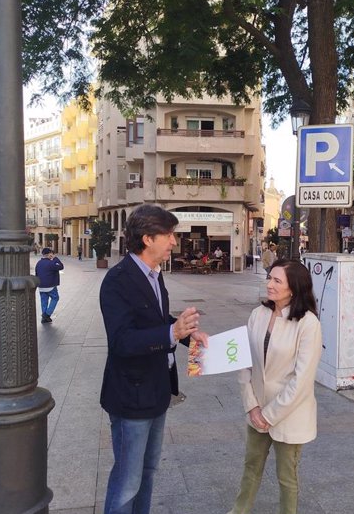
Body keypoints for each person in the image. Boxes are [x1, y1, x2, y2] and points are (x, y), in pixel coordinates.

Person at [99, 204, 209, 514]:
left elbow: (156, 320)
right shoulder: (118, 281)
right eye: (169, 235)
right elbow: (121, 341)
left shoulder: (154, 275)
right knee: (127, 481)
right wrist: (171, 332)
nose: (174, 242)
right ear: (148, 239)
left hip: (158, 391)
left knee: (147, 473)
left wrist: (186, 334)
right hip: (131, 397)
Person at [228, 259, 323, 514]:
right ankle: (239, 510)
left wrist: (269, 415)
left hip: (288, 414)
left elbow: (301, 381)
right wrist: (252, 406)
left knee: (287, 478)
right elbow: (244, 363)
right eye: (269, 278)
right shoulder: (257, 315)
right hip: (257, 408)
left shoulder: (308, 324)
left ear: (294, 288)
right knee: (251, 467)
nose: (269, 284)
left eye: (277, 280)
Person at [35, 247, 64, 323]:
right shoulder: (51, 263)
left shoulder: (38, 263)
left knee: (44, 301)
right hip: (50, 286)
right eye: (52, 253)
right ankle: (47, 315)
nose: (52, 254)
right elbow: (61, 266)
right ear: (49, 254)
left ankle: (44, 318)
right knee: (55, 298)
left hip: (41, 286)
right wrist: (55, 258)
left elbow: (36, 274)